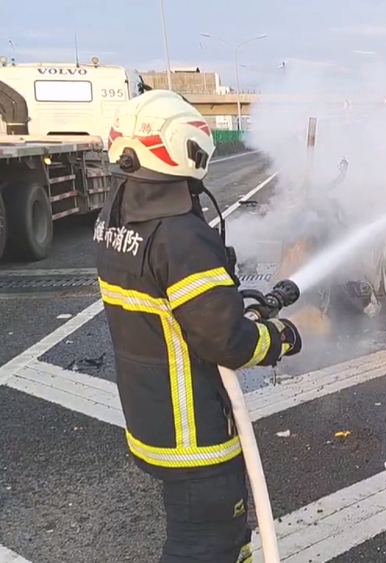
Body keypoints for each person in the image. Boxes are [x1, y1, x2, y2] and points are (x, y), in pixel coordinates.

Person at [93, 89, 303, 563]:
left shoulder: (115, 217)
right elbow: (225, 341)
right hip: (194, 433)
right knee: (208, 546)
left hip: (152, 417)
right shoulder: (181, 236)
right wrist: (280, 339)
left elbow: (178, 310)